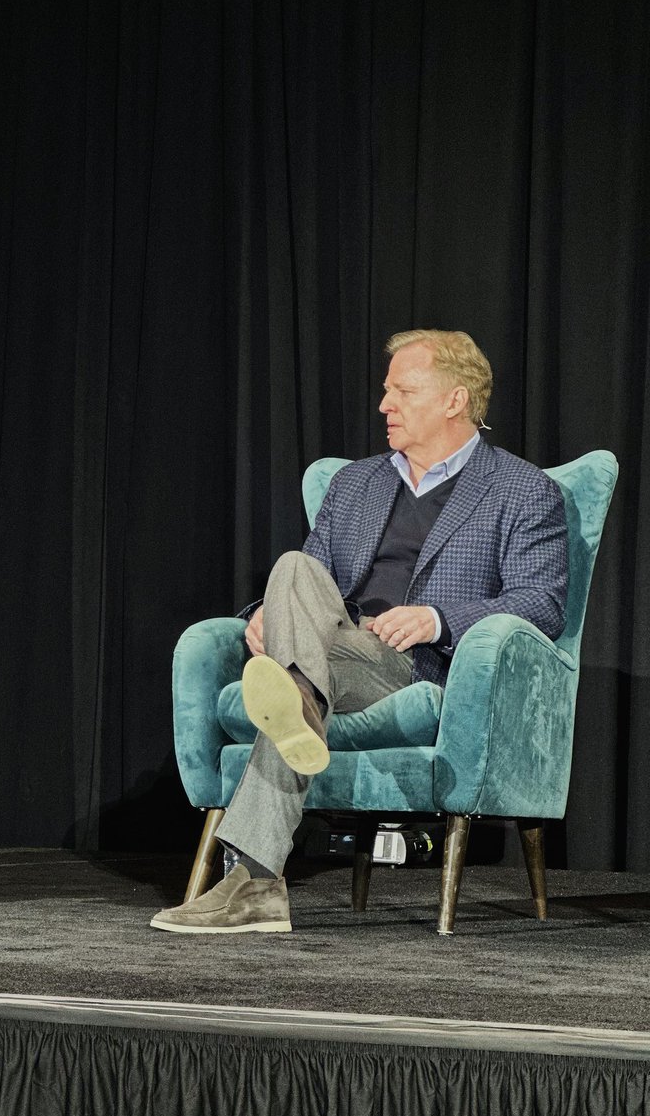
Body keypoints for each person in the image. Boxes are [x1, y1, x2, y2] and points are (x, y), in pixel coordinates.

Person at [151, 329, 568, 934]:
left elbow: (544, 603)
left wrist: (438, 619)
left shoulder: (523, 491)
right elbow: (310, 582)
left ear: (455, 400)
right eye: (385, 390)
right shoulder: (355, 484)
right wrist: (264, 617)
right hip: (335, 652)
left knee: (290, 689)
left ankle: (255, 882)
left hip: (413, 664)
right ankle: (295, 713)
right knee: (293, 570)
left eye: (402, 390)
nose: (384, 405)